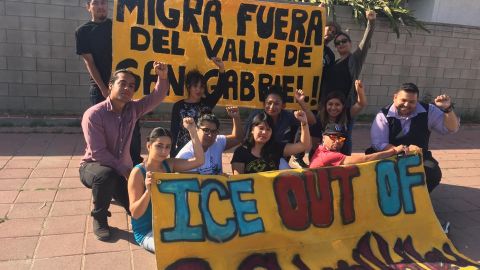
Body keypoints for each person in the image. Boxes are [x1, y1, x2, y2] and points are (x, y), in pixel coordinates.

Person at [79, 62, 169, 241]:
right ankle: (99, 217)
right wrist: (127, 171)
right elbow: (98, 152)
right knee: (105, 176)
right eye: (123, 83)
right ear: (111, 86)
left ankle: (113, 190)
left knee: (136, 210)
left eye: (132, 86)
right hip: (94, 166)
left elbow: (157, 96)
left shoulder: (133, 109)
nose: (127, 88)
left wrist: (162, 76)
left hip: (122, 170)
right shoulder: (94, 114)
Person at [76, 0, 142, 165]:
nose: (100, 7)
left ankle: (134, 165)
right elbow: (90, 63)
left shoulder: (117, 27)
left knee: (132, 126)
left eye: (104, 3)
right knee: (104, 129)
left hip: (124, 86)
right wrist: (105, 89)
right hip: (100, 89)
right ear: (88, 7)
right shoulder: (83, 31)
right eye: (96, 3)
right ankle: (107, 167)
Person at [128, 118, 204, 253]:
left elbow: (199, 160)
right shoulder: (138, 173)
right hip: (146, 231)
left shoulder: (169, 164)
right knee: (174, 251)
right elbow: (135, 213)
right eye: (159, 145)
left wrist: (192, 131)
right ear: (149, 145)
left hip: (170, 224)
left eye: (168, 147)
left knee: (201, 242)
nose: (164, 151)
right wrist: (148, 192)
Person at [369, 83, 460, 192]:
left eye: (412, 102)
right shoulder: (383, 115)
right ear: (395, 98)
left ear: (417, 101)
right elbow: (378, 143)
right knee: (376, 170)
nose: (407, 104)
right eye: (403, 100)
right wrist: (401, 151)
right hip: (389, 153)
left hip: (418, 155)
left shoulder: (428, 110)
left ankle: (418, 200)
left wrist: (447, 109)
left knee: (433, 174)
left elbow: (451, 129)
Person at [245, 86, 316, 168]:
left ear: (283, 106)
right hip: (255, 156)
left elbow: (312, 121)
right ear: (264, 104)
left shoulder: (287, 116)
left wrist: (301, 103)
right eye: (269, 103)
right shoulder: (255, 116)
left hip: (277, 156)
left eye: (276, 104)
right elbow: (245, 141)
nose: (271, 107)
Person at [170, 57, 227, 157]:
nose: (199, 90)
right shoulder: (178, 106)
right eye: (195, 86)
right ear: (188, 87)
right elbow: (173, 132)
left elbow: (220, 89)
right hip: (183, 151)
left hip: (203, 150)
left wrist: (221, 69)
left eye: (201, 87)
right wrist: (172, 156)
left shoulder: (207, 104)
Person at [322, 10, 376, 107]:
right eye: (337, 43)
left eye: (344, 41)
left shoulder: (355, 59)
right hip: (329, 107)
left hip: (345, 107)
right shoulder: (334, 61)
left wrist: (371, 23)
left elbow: (366, 41)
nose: (341, 44)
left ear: (350, 43)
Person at [231, 111, 311, 174]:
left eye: (268, 129)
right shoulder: (241, 152)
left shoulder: (276, 148)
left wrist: (304, 123)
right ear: (252, 130)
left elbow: (304, 145)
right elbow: (238, 181)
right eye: (261, 128)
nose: (264, 132)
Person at [176, 107, 243, 175]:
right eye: (206, 130)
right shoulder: (186, 155)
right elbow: (194, 184)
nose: (210, 135)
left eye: (214, 131)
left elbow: (238, 138)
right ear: (196, 129)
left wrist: (236, 117)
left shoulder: (217, 141)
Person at [309, 123, 408, 168]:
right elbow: (365, 159)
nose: (337, 141)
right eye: (333, 137)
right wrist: (394, 151)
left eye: (341, 138)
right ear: (323, 137)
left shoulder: (320, 149)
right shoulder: (329, 156)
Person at [310, 80, 367, 156]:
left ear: (343, 106)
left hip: (342, 154)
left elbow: (361, 104)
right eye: (330, 104)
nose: (333, 108)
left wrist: (360, 91)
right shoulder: (319, 119)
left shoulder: (346, 114)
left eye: (337, 104)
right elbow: (314, 145)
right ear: (325, 105)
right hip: (321, 155)